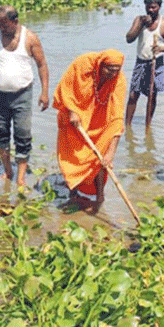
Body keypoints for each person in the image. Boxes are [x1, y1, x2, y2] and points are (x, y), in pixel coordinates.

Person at [0, 5, 49, 188]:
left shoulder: (30, 38)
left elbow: (41, 65)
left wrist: (45, 92)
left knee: (23, 134)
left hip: (22, 94)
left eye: (5, 25)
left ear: (15, 21)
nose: (2, 29)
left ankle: (21, 177)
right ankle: (8, 170)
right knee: (0, 132)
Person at [53, 50, 126, 213]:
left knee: (100, 159)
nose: (113, 74)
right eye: (109, 69)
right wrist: (72, 110)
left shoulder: (119, 81)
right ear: (101, 65)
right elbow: (66, 88)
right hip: (75, 118)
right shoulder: (82, 64)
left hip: (101, 120)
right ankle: (73, 192)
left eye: (117, 70)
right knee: (73, 156)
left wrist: (111, 153)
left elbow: (118, 116)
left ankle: (100, 197)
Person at [124, 0, 164, 128]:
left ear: (159, 7)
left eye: (153, 7)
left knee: (152, 96)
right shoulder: (139, 20)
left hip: (156, 63)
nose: (150, 10)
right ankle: (127, 126)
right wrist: (141, 24)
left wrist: (161, 49)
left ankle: (148, 126)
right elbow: (129, 39)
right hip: (141, 62)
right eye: (148, 7)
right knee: (133, 95)